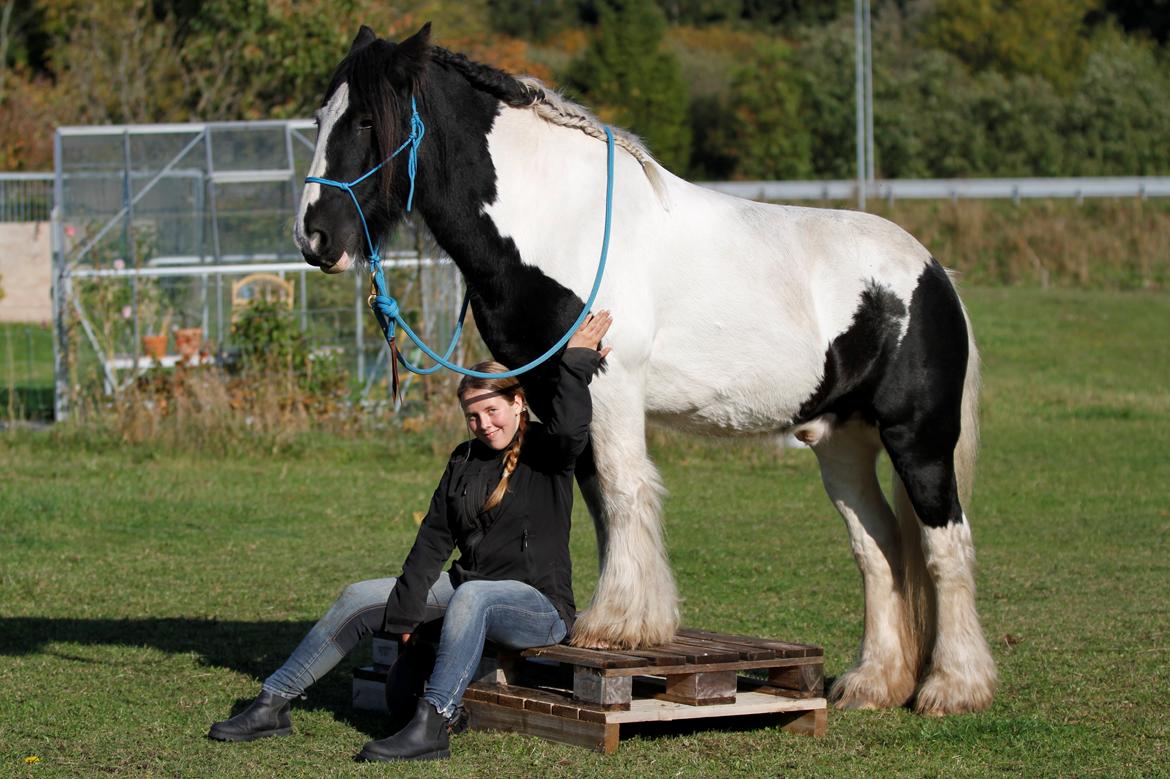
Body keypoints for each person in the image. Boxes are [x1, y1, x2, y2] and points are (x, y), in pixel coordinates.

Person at [208, 311, 613, 762]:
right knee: (358, 596)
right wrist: (404, 619)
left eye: (491, 410)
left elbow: (573, 427)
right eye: (472, 415)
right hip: (466, 588)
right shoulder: (464, 459)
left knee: (474, 596)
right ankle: (273, 704)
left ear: (518, 403)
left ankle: (434, 723)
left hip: (538, 606)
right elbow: (433, 540)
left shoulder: (547, 452)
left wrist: (575, 362)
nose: (483, 424)